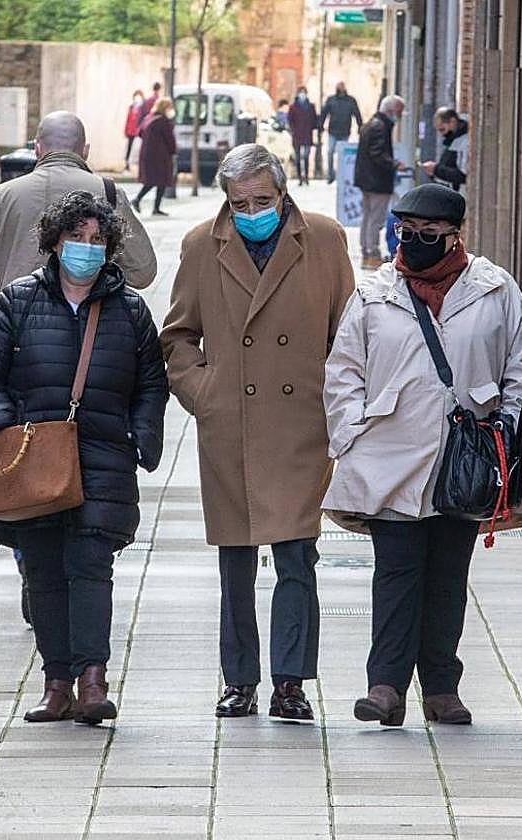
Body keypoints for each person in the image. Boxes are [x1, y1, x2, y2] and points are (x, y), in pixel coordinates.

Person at [322, 183, 522, 727]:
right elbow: (343, 369)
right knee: (395, 574)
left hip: (466, 462)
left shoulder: (495, 290)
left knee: (447, 575)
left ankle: (442, 687)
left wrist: (506, 436)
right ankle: (385, 686)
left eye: (428, 235)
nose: (413, 242)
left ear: (454, 237)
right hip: (389, 459)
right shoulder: (374, 293)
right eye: (405, 233)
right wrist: (351, 435)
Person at [160, 144, 354, 722]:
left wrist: (338, 402)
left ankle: (290, 683)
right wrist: (206, 392)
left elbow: (348, 328)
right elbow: (176, 337)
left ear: (284, 191)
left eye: (261, 200)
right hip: (233, 425)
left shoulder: (322, 237)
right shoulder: (202, 244)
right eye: (239, 202)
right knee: (235, 561)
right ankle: (239, 679)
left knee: (298, 557)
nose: (251, 212)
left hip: (301, 422)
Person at [0, 190, 169, 725]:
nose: (86, 248)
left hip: (103, 458)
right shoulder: (19, 301)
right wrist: (0, 419)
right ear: (54, 242)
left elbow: (151, 382)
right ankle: (57, 683)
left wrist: (143, 434)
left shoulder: (129, 310)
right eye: (76, 237)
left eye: (97, 240)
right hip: (35, 462)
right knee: (45, 575)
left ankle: (93, 679)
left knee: (91, 568)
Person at [0, 111, 158, 303]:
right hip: (89, 324)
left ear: (37, 148)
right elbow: (142, 272)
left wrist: (5, 290)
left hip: (14, 328)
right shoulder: (109, 194)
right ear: (85, 151)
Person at [354, 95, 407, 271]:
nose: (399, 116)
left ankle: (367, 251)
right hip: (377, 181)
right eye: (398, 112)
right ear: (391, 110)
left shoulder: (372, 123)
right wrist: (394, 164)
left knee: (368, 217)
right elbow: (378, 154)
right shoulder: (380, 126)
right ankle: (372, 252)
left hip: (367, 180)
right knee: (375, 219)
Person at [132, 97, 176, 217]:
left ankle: (151, 206)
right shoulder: (163, 121)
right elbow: (170, 140)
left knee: (153, 180)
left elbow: (140, 133)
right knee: (159, 180)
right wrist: (173, 151)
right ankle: (144, 202)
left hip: (147, 154)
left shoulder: (148, 118)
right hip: (160, 156)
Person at [319, 82, 363, 184]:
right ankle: (331, 174)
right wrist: (320, 125)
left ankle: (342, 175)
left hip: (345, 131)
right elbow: (324, 113)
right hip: (333, 131)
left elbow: (357, 114)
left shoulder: (351, 101)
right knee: (330, 152)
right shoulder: (331, 100)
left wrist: (360, 126)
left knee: (342, 155)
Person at [422, 108, 469, 193]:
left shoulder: (464, 141)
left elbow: (464, 175)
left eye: (442, 129)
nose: (442, 134)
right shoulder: (453, 141)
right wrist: (434, 172)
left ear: (452, 122)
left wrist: (436, 169)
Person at [287, 87, 317, 187]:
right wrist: (292, 130)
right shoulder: (293, 107)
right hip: (297, 135)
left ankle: (307, 177)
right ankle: (300, 177)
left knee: (306, 156)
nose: (302, 94)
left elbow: (314, 119)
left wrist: (314, 128)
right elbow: (290, 120)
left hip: (307, 134)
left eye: (304, 92)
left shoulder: (311, 106)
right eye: (301, 92)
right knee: (298, 157)